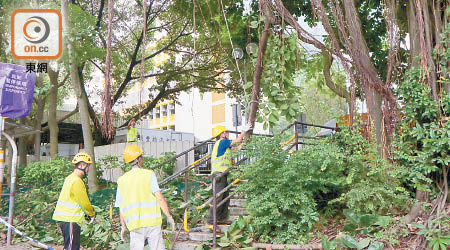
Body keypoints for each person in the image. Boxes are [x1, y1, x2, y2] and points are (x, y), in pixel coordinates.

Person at [115, 145, 175, 250]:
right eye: (141, 156)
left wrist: (123, 226)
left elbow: (121, 206)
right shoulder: (149, 174)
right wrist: (169, 216)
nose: (142, 158)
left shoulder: (121, 180)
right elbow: (159, 197)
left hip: (135, 225)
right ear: (138, 159)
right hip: (152, 223)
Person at [206, 124, 250, 229]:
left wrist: (244, 140)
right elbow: (237, 141)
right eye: (225, 132)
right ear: (222, 134)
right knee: (218, 198)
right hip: (219, 175)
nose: (227, 133)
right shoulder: (222, 142)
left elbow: (237, 147)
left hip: (223, 174)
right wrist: (244, 132)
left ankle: (221, 218)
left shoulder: (223, 145)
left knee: (225, 197)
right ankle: (210, 222)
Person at [52, 152, 95, 250]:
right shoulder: (77, 181)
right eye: (88, 166)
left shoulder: (69, 178)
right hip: (70, 219)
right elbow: (84, 202)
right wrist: (91, 214)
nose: (88, 170)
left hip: (65, 219)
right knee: (71, 248)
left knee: (70, 246)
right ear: (82, 165)